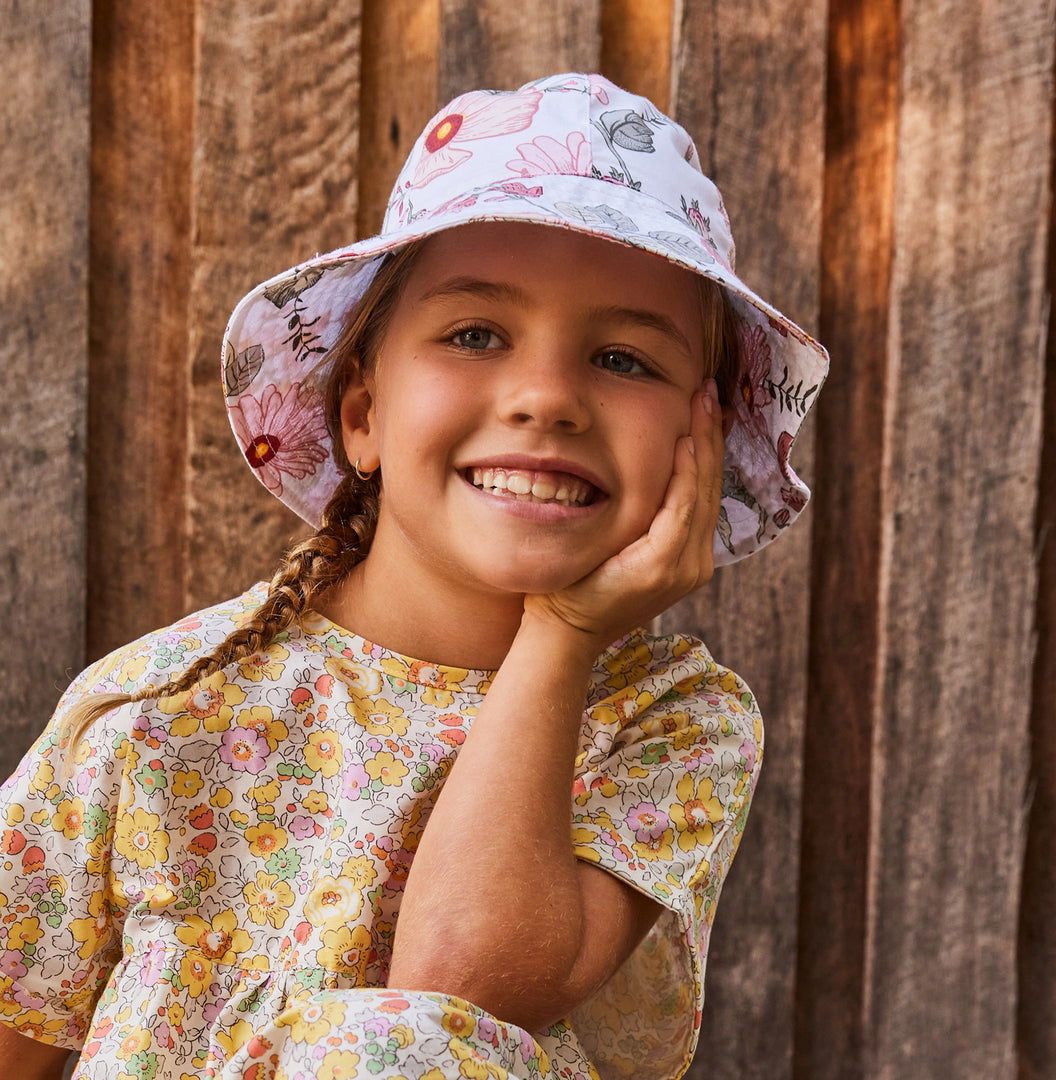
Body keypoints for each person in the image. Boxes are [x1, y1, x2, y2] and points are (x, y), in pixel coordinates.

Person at [0, 73, 827, 1080]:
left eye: (624, 358)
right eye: (475, 335)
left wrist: (563, 636)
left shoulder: (673, 724)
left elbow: (454, 991)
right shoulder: (154, 711)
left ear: (705, 446)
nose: (546, 397)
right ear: (361, 413)